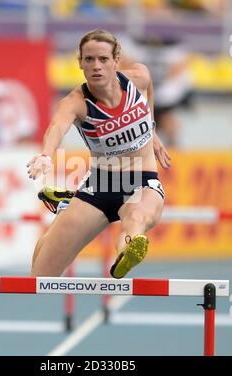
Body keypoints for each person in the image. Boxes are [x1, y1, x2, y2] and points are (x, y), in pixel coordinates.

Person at [27, 29, 171, 278]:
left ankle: (125, 257)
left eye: (103, 59)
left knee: (136, 218)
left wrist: (152, 129)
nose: (96, 66)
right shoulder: (75, 102)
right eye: (89, 59)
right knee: (41, 277)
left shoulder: (138, 78)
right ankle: (63, 211)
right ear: (80, 62)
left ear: (116, 60)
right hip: (99, 187)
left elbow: (149, 92)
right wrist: (46, 156)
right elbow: (56, 128)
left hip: (142, 181)